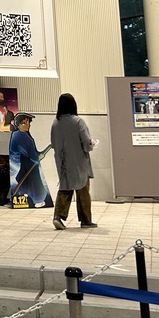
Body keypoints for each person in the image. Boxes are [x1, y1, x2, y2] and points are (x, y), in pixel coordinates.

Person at [49, 93, 97, 229]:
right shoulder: (78, 121)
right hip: (78, 162)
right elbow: (86, 143)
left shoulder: (55, 123)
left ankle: (58, 217)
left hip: (62, 162)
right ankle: (85, 220)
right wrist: (92, 144)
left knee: (65, 188)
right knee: (82, 190)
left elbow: (53, 143)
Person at [8, 112, 52, 208]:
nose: (27, 125)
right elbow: (32, 156)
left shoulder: (16, 134)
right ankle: (38, 200)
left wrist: (37, 155)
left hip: (24, 161)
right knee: (35, 181)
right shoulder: (24, 137)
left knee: (26, 180)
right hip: (30, 163)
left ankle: (29, 197)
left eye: (28, 122)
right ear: (18, 125)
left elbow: (14, 149)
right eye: (24, 123)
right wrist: (37, 158)